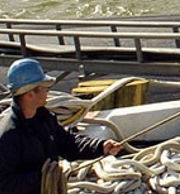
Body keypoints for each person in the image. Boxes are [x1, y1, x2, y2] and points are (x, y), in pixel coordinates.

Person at [0, 58, 123, 194]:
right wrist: (44, 177)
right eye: (45, 87)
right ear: (30, 94)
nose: (48, 92)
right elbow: (4, 184)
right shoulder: (9, 134)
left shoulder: (44, 118)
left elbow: (67, 143)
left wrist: (100, 146)